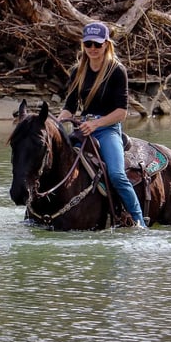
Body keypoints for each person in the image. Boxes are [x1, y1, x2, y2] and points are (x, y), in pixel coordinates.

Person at [57, 21, 147, 228]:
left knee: (116, 174)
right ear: (83, 44)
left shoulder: (117, 71)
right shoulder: (77, 72)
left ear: (106, 44)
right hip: (82, 130)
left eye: (97, 44)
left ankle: (139, 221)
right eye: (88, 44)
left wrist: (96, 124)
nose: (93, 49)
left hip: (107, 129)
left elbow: (121, 112)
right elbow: (69, 106)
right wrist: (58, 122)